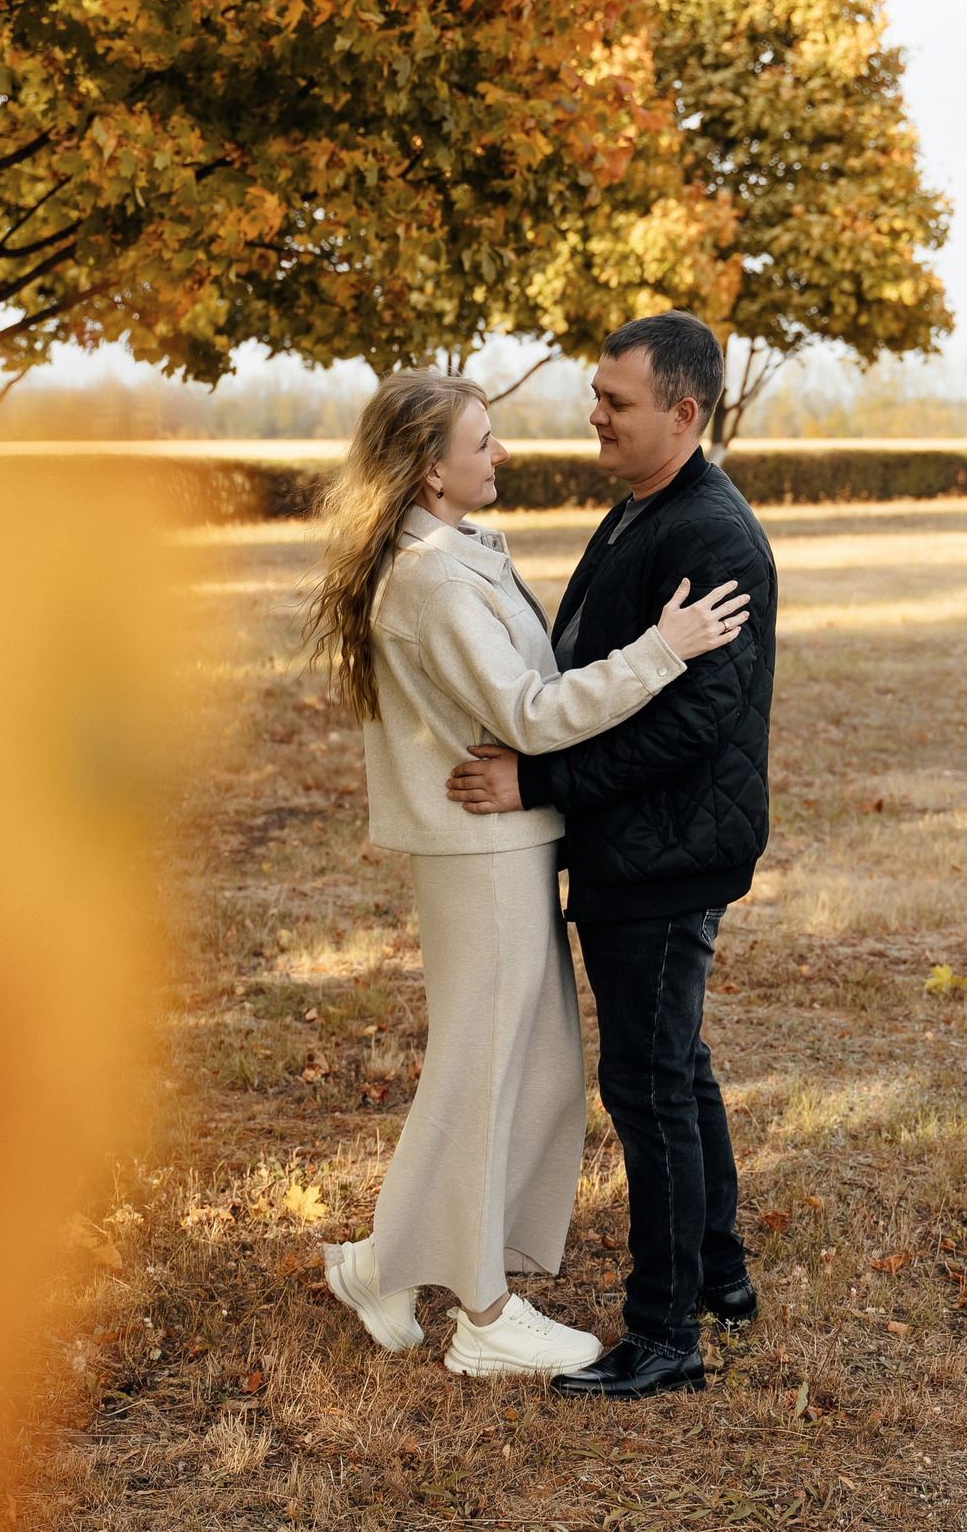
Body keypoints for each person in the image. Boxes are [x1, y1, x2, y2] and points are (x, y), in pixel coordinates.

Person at [301, 369, 752, 1379]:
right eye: (482, 442)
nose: (501, 454)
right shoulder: (427, 578)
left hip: (508, 847)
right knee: (486, 1065)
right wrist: (662, 650)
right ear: (429, 474)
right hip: (482, 853)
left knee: (523, 1065)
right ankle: (485, 1313)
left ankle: (384, 1265)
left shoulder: (449, 553)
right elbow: (531, 714)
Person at [445, 311, 777, 1400]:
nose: (595, 414)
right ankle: (718, 1279)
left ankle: (664, 1332)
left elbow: (693, 722)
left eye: (617, 401)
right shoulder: (645, 509)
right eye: (596, 393)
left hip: (666, 850)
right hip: (646, 843)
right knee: (674, 1065)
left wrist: (536, 783)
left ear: (683, 414)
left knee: (645, 1084)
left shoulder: (711, 537)